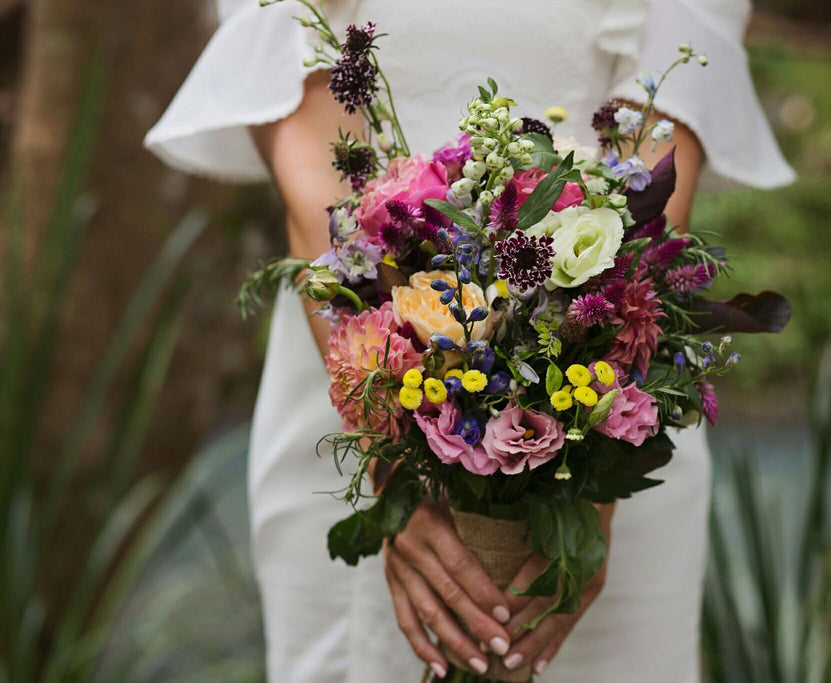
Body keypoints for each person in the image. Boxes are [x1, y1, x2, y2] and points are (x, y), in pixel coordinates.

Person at [146, 0, 794, 680]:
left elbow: (657, 156)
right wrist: (391, 457)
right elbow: (317, 170)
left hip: (609, 389)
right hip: (350, 366)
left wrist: (594, 463)